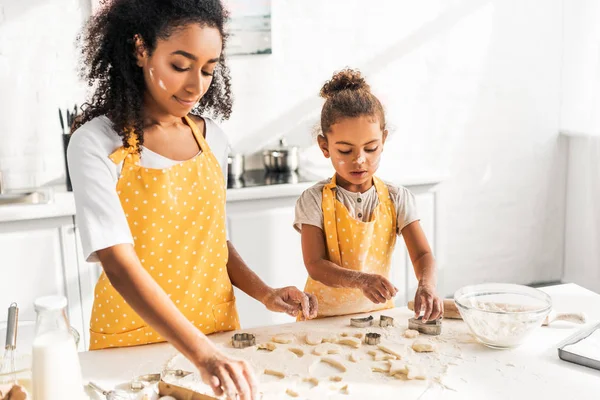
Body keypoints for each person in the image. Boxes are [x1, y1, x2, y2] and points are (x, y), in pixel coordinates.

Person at [68, 1, 316, 399]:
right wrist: (201, 354)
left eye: (208, 69)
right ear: (140, 49)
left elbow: (211, 241)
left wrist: (265, 293)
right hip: (133, 345)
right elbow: (117, 262)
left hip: (216, 333)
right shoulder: (96, 143)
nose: (195, 85)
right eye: (180, 66)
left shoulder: (212, 138)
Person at [294, 68, 443, 322]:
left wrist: (426, 285)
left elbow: (422, 255)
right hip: (323, 321)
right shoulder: (314, 200)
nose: (359, 160)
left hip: (378, 318)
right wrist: (359, 280)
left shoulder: (397, 198)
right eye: (344, 150)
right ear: (324, 146)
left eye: (371, 148)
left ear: (383, 140)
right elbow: (315, 264)